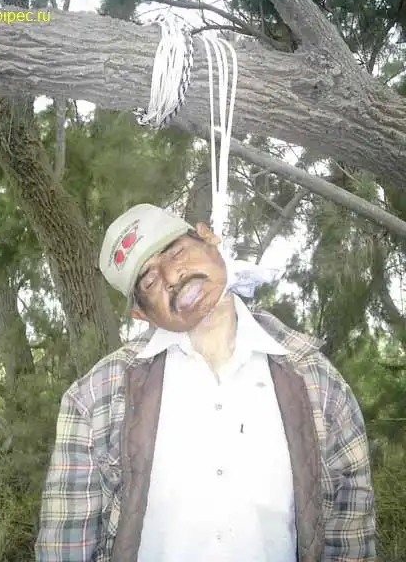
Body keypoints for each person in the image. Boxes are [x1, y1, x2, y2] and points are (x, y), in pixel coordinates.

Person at [35, 203, 376, 562]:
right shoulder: (95, 397)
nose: (171, 276)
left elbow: (351, 540)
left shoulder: (317, 381)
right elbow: (64, 548)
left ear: (209, 238)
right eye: (149, 281)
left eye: (176, 252)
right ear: (141, 314)